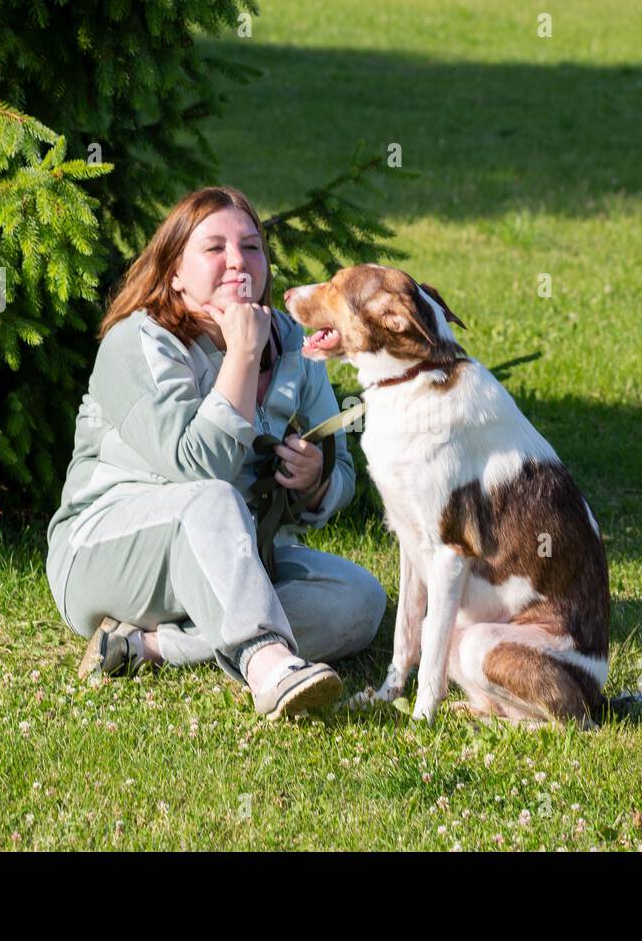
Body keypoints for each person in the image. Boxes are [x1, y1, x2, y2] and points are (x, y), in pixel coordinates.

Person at [45, 185, 387, 719]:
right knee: (210, 498)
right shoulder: (140, 342)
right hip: (104, 555)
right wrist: (244, 352)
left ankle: (148, 648)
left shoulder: (294, 343)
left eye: (252, 247)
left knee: (359, 599)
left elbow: (342, 468)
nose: (238, 262)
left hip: (230, 556)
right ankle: (268, 666)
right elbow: (199, 468)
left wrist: (317, 478)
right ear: (174, 272)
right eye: (214, 248)